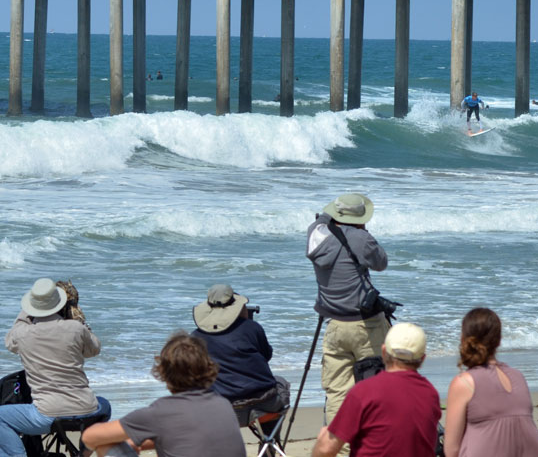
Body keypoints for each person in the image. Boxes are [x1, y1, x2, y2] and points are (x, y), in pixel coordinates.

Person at [82, 332, 245, 457]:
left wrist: (129, 438)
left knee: (105, 444)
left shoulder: (160, 412)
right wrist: (140, 441)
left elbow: (89, 437)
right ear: (207, 367)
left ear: (164, 373)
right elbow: (189, 435)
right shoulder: (222, 403)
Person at [1, 279, 110, 457]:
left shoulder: (22, 333)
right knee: (105, 405)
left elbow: (10, 343)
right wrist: (79, 320)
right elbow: (94, 349)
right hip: (87, 409)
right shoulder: (76, 328)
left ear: (32, 306)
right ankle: (84, 452)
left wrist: (26, 312)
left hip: (47, 414)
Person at [307, 193, 390, 425]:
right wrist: (363, 234)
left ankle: (340, 447)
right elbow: (381, 263)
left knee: (337, 393)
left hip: (333, 324)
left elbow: (321, 220)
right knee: (376, 388)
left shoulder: (315, 233)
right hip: (366, 325)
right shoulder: (361, 239)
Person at [311, 323, 440, 457]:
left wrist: (322, 441)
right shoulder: (430, 394)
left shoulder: (365, 391)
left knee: (324, 437)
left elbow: (326, 448)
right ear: (423, 358)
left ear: (384, 352)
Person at [444, 308, 538, 457]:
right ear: (499, 340)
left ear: (463, 338)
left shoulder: (464, 383)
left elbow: (452, 449)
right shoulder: (518, 377)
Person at [191, 284, 289, 430]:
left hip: (223, 409)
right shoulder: (252, 328)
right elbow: (266, 356)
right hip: (265, 404)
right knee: (281, 382)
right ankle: (269, 444)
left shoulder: (195, 337)